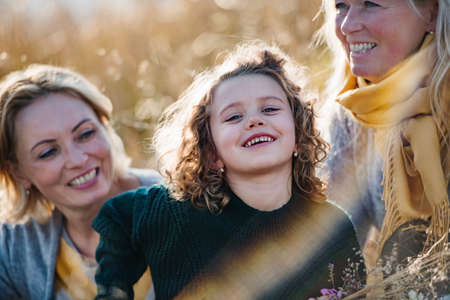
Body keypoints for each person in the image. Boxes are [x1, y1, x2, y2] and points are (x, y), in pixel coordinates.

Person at [93, 42, 365, 300]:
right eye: (234, 116)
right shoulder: (174, 212)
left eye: (270, 109)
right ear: (211, 151)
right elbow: (119, 215)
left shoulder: (331, 225)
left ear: (298, 134)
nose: (254, 121)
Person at [0, 64, 161, 300]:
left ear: (105, 127)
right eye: (48, 152)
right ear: (19, 173)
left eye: (85, 134)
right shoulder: (12, 250)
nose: (77, 160)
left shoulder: (186, 202)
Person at [316, 0, 448, 279]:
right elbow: (331, 254)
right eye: (341, 6)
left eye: (371, 4)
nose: (347, 25)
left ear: (433, 13)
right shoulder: (351, 117)